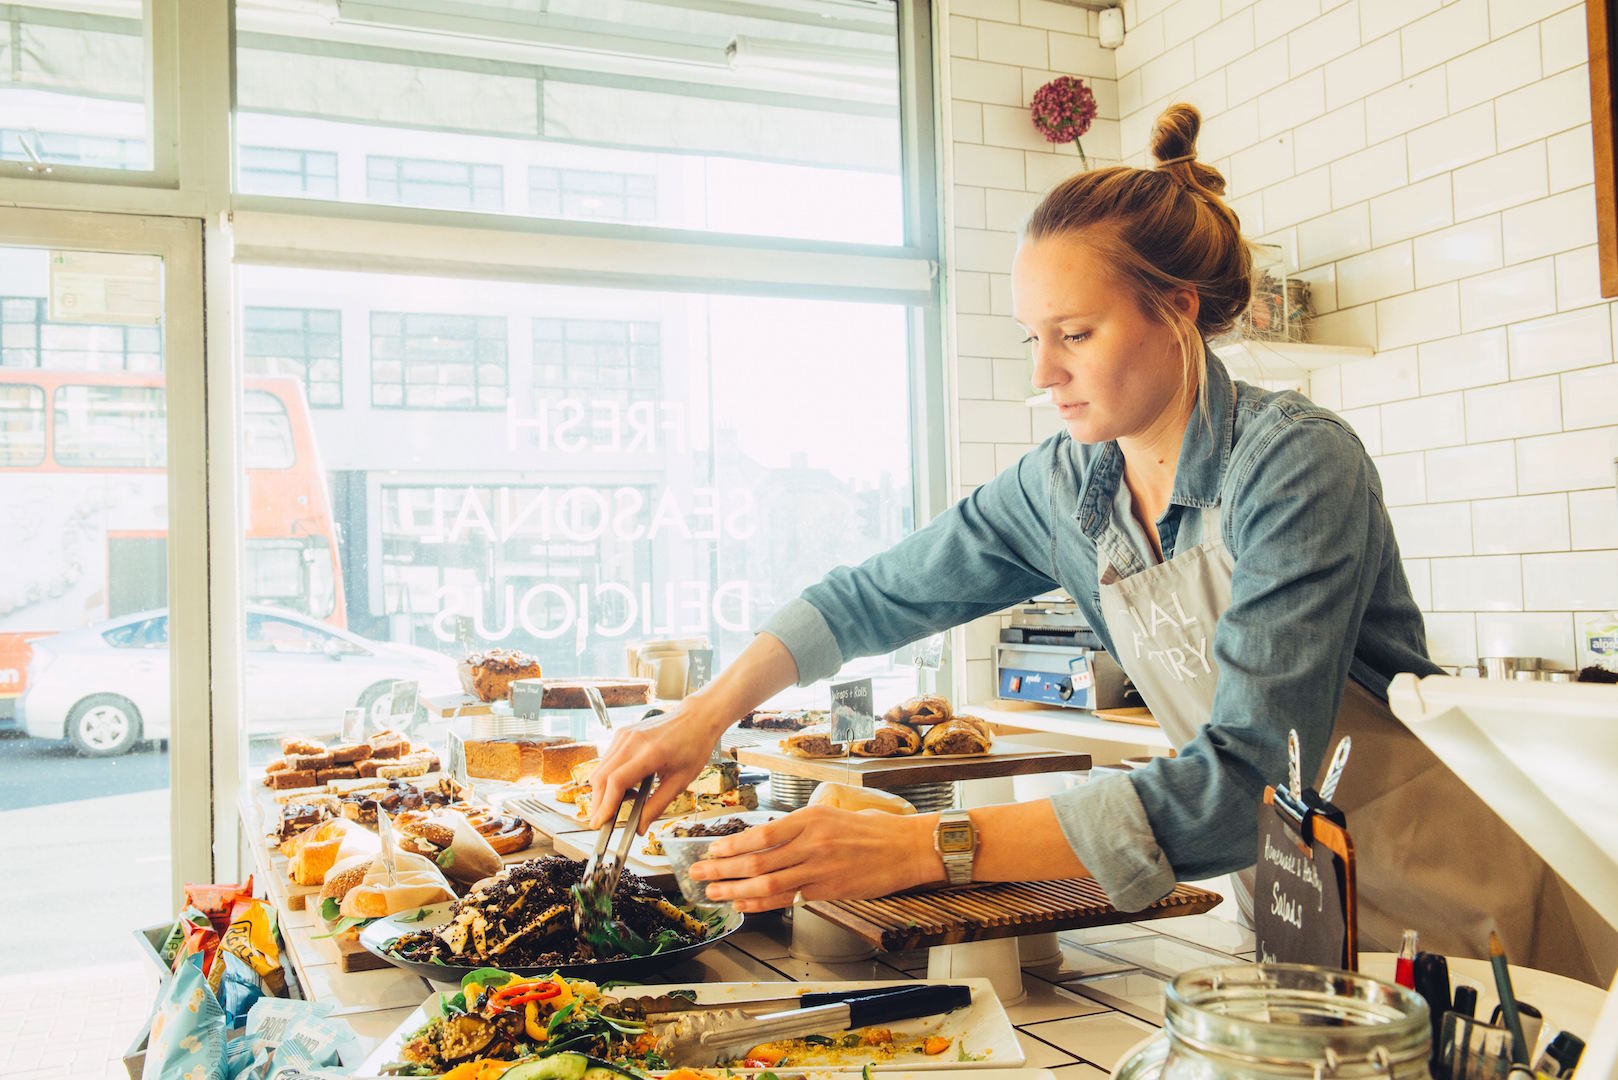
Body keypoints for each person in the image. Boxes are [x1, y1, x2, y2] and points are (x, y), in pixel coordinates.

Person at [590, 104, 1615, 984]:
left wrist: (918, 848)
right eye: (1032, 336)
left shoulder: (1295, 465)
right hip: (1307, 911)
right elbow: (871, 599)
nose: (1044, 371)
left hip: (1464, 911)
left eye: (1073, 334)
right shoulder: (1067, 485)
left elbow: (1241, 789)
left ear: (1174, 312)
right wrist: (705, 714)